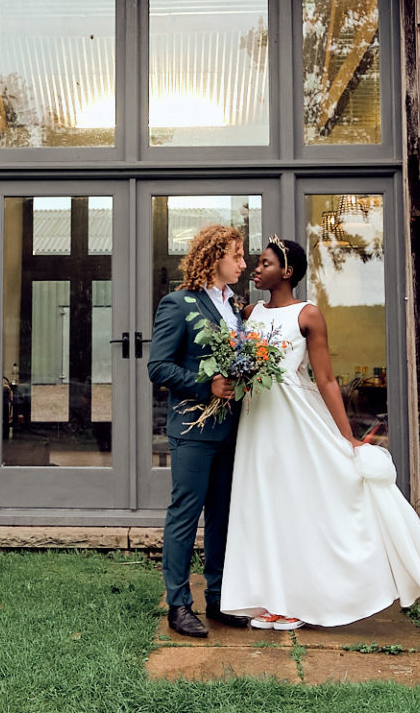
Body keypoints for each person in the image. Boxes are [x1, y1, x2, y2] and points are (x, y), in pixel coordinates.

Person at [220, 235, 420, 629]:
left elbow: (324, 378)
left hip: (295, 420)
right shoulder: (250, 312)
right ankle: (270, 597)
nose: (256, 269)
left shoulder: (308, 315)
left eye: (265, 264)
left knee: (299, 503)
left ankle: (306, 599)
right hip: (257, 422)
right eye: (256, 262)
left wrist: (347, 436)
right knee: (265, 506)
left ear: (286, 272)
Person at [147, 223, 254, 638]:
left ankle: (218, 597)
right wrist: (204, 383)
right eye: (237, 256)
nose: (243, 264)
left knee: (223, 516)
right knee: (185, 516)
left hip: (232, 429)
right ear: (213, 259)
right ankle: (178, 604)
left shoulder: (235, 307)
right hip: (193, 428)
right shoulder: (178, 303)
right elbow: (158, 366)